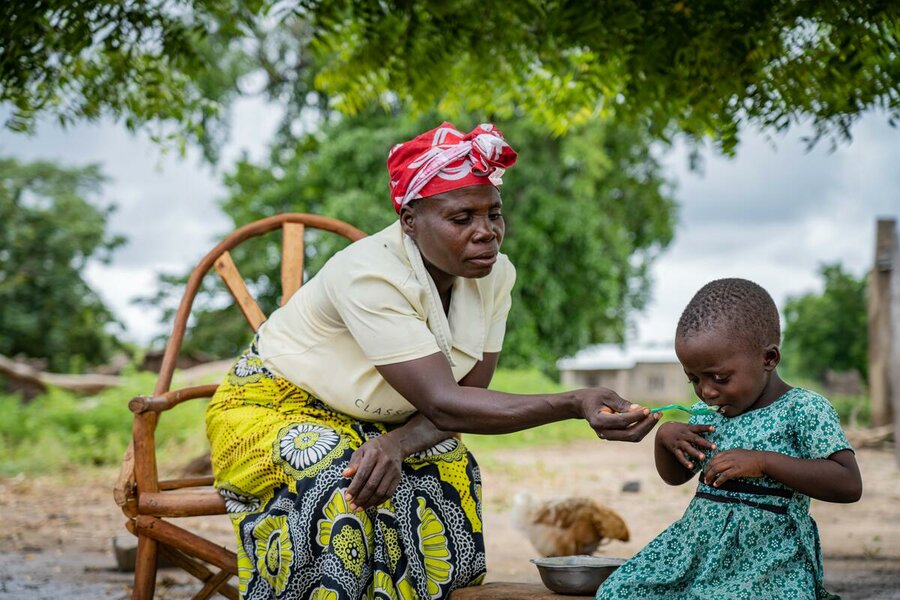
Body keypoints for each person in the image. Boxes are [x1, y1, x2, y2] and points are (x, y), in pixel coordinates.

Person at [205, 121, 660, 599]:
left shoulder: (495, 276)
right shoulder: (368, 274)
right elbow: (447, 405)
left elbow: (468, 399)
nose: (487, 234)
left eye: (494, 215)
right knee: (340, 478)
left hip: (379, 423)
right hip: (272, 407)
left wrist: (398, 444)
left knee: (451, 464)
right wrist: (574, 402)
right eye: (461, 218)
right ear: (409, 221)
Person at [596, 278, 863, 600]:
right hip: (694, 551)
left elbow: (848, 483)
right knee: (619, 591)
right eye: (693, 379)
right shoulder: (708, 414)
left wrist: (763, 462)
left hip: (766, 561)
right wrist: (664, 438)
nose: (706, 391)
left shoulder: (803, 409)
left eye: (720, 378)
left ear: (769, 359)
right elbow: (676, 477)